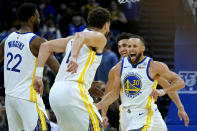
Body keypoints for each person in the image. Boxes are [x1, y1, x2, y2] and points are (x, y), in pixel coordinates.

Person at [33, 7, 111, 131]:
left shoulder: (71, 40)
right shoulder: (100, 38)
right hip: (74, 92)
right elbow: (81, 35)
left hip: (56, 91)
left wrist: (38, 76)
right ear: (106, 25)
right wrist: (73, 57)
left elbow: (45, 46)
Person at [96, 35, 187, 131]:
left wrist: (178, 105)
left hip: (148, 114)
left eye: (134, 46)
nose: (127, 49)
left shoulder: (153, 67)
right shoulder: (117, 69)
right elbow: (112, 94)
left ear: (143, 48)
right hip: (127, 116)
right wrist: (101, 111)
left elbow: (176, 83)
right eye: (127, 46)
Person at [0, 3, 60, 131]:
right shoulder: (38, 42)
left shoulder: (7, 40)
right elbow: (58, 70)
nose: (40, 19)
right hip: (28, 98)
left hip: (10, 98)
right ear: (32, 18)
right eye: (38, 16)